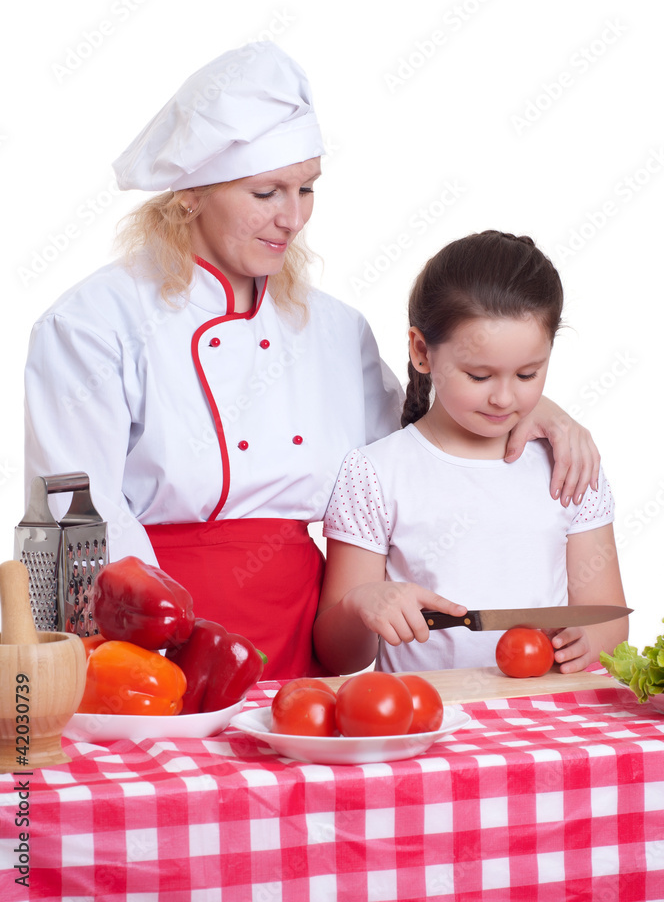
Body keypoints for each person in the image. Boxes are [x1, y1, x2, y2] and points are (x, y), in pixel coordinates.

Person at [24, 44, 599, 679]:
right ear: (190, 193)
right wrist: (128, 653)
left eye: (307, 188)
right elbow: (75, 518)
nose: (293, 217)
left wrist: (534, 404)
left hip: (304, 638)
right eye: (266, 191)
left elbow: (413, 452)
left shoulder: (333, 328)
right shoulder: (94, 323)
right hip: (150, 634)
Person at [314, 231, 627, 677]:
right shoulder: (375, 473)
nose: (503, 397)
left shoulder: (568, 464)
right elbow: (338, 655)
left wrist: (592, 640)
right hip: (427, 718)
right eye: (479, 376)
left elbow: (608, 616)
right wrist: (361, 605)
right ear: (422, 351)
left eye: (527, 373)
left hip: (551, 717)